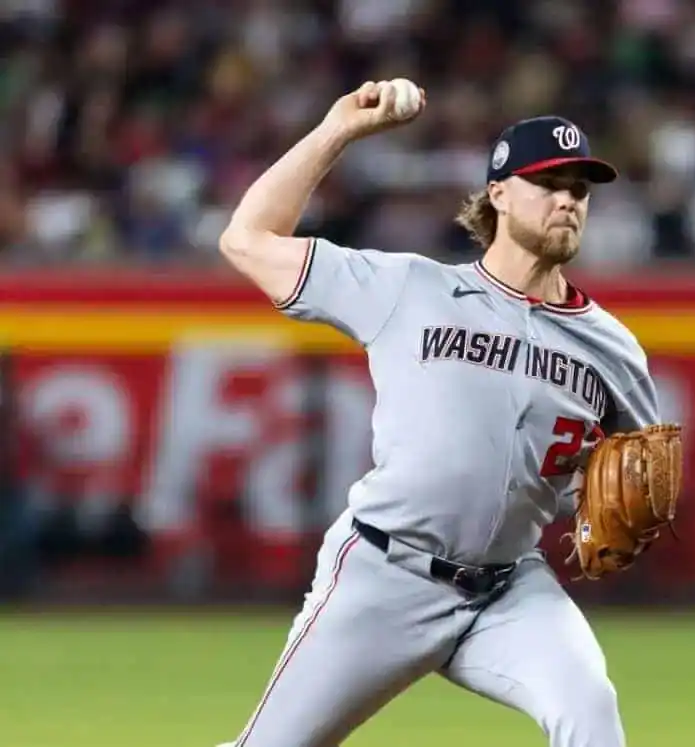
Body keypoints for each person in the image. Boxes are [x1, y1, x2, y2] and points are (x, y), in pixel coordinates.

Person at [217, 78, 661, 747]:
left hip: (510, 588)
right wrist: (337, 130)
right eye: (551, 183)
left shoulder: (614, 347)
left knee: (589, 708)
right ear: (500, 194)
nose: (569, 199)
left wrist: (624, 503)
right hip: (384, 575)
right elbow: (247, 239)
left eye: (580, 187)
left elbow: (636, 472)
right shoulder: (410, 288)